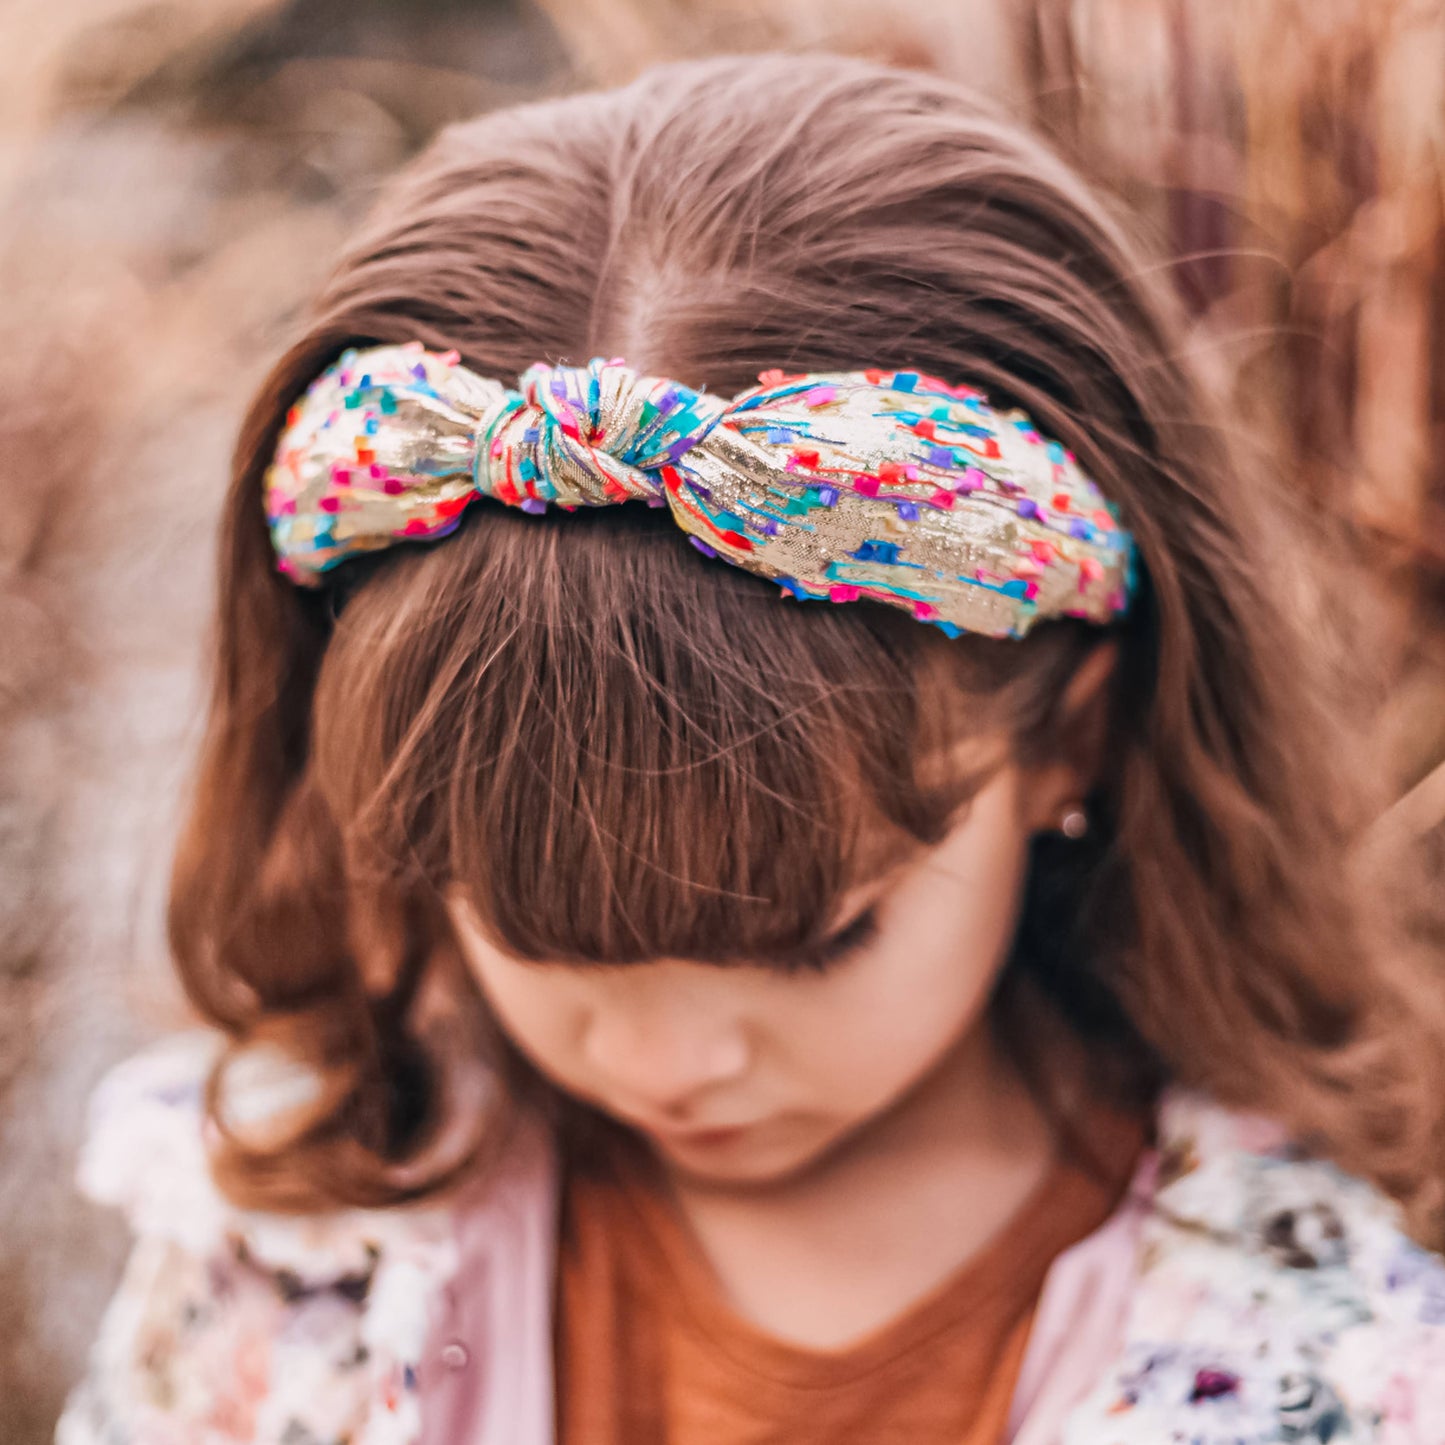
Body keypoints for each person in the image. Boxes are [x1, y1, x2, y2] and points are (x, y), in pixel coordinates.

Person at [56, 51, 1445, 1445]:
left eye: (811, 939)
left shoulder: (1321, 1359)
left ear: (1066, 741)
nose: (671, 1057)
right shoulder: (293, 1237)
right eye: (540, 925)